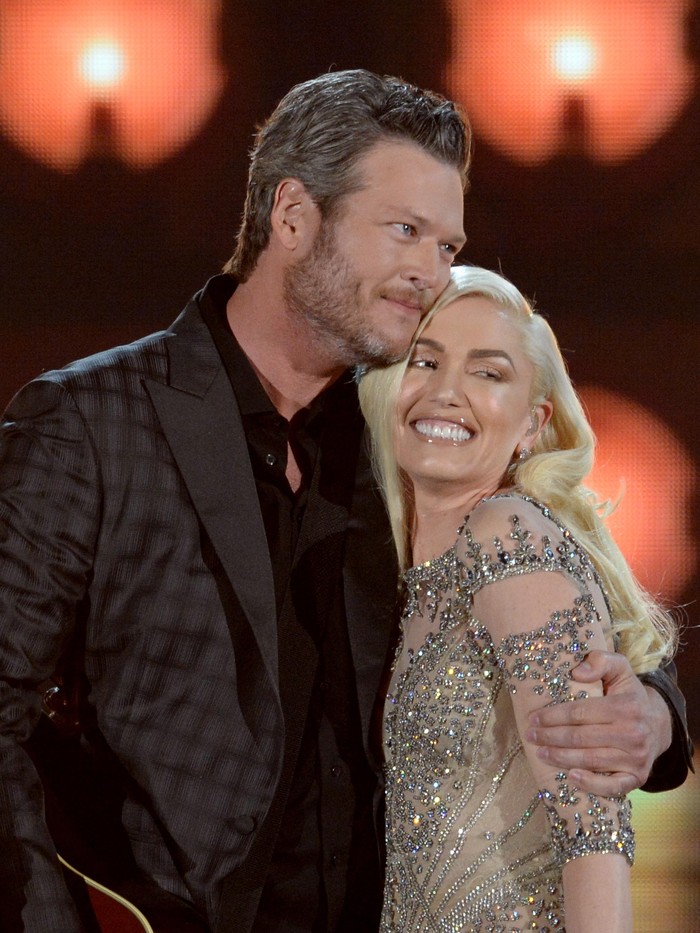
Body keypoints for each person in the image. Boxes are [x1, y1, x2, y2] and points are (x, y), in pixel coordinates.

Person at [0, 70, 692, 933]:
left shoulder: (408, 433)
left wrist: (654, 714)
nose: (431, 273)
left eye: (446, 245)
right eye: (405, 231)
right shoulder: (89, 422)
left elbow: (563, 583)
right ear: (293, 216)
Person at [358, 264, 685, 931]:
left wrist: (654, 713)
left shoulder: (509, 536)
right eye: (426, 360)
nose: (447, 392)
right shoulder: (410, 572)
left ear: (533, 422)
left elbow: (593, 828)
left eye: (487, 372)